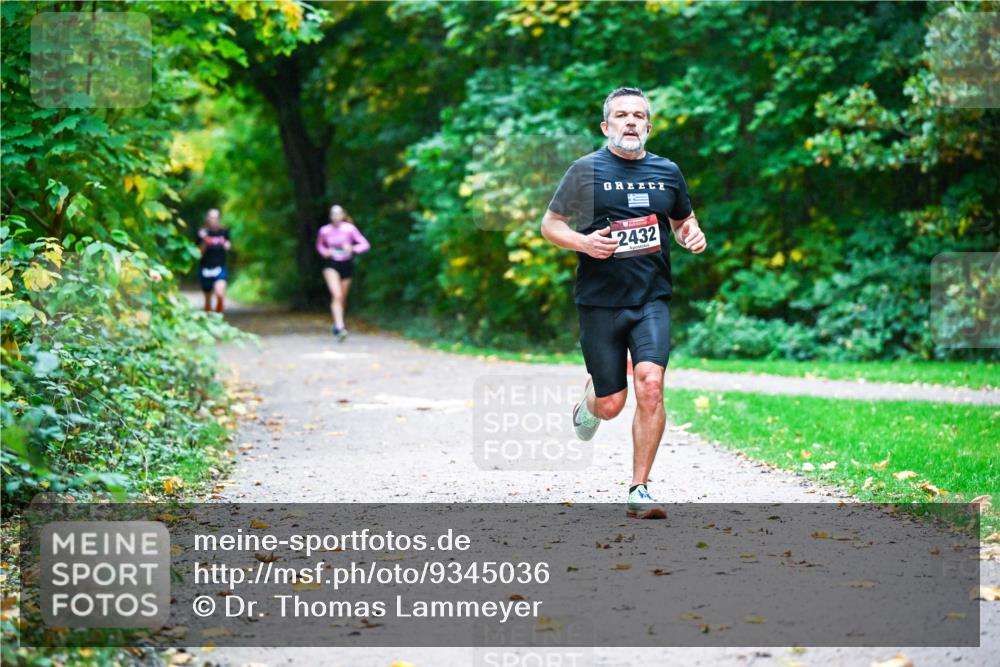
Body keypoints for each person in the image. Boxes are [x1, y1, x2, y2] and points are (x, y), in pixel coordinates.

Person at [540, 87, 707, 519]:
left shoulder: (667, 171)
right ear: (605, 125)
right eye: (621, 115)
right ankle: (592, 399)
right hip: (599, 301)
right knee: (612, 406)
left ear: (648, 126)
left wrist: (692, 233)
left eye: (638, 115)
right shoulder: (585, 170)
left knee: (650, 384)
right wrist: (583, 242)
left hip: (651, 297)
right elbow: (550, 225)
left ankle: (640, 489)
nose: (630, 121)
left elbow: (682, 219)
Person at [316, 204, 371, 340]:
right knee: (337, 294)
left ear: (343, 215)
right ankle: (340, 327)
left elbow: (365, 244)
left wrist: (353, 249)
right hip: (331, 264)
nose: (336, 216)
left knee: (342, 297)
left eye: (339, 213)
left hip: (346, 263)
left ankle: (337, 322)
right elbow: (320, 245)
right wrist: (325, 252)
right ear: (330, 216)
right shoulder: (324, 231)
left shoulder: (349, 229)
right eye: (333, 214)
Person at [197, 208, 231, 313]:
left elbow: (228, 246)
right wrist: (205, 240)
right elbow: (199, 253)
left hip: (220, 266)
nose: (213, 220)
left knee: (220, 293)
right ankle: (209, 320)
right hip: (205, 267)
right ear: (207, 219)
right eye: (211, 218)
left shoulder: (224, 231)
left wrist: (225, 243)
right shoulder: (202, 232)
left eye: (216, 218)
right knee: (207, 299)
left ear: (219, 219)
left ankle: (219, 315)